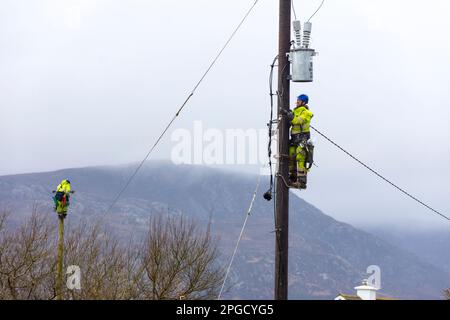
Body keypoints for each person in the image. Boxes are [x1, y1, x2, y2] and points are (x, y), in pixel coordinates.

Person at [287, 94, 314, 189]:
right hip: (294, 138)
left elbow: (299, 121)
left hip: (303, 138)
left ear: (303, 102)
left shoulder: (306, 112)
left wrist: (291, 117)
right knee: (291, 155)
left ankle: (301, 181)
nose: (297, 102)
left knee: (300, 157)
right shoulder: (294, 111)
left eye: (298, 100)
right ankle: (292, 178)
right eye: (297, 100)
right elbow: (290, 122)